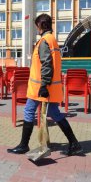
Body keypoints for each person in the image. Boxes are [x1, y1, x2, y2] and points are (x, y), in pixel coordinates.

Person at [7, 14, 82, 156]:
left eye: (37, 25)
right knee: (54, 112)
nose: (36, 28)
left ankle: (24, 145)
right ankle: (74, 143)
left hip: (40, 87)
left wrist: (43, 85)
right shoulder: (52, 40)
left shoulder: (44, 41)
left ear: (41, 25)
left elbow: (46, 64)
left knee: (29, 111)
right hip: (51, 87)